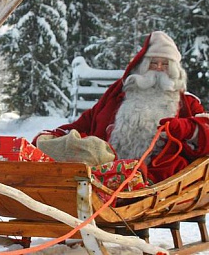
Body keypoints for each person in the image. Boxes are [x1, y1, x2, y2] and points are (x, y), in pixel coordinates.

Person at [34, 31, 209, 183]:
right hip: (103, 171)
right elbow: (86, 123)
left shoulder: (187, 103)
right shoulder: (119, 95)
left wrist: (187, 128)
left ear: (174, 70)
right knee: (77, 150)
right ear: (142, 66)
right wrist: (54, 136)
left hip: (155, 178)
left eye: (165, 64)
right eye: (153, 63)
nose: (158, 69)